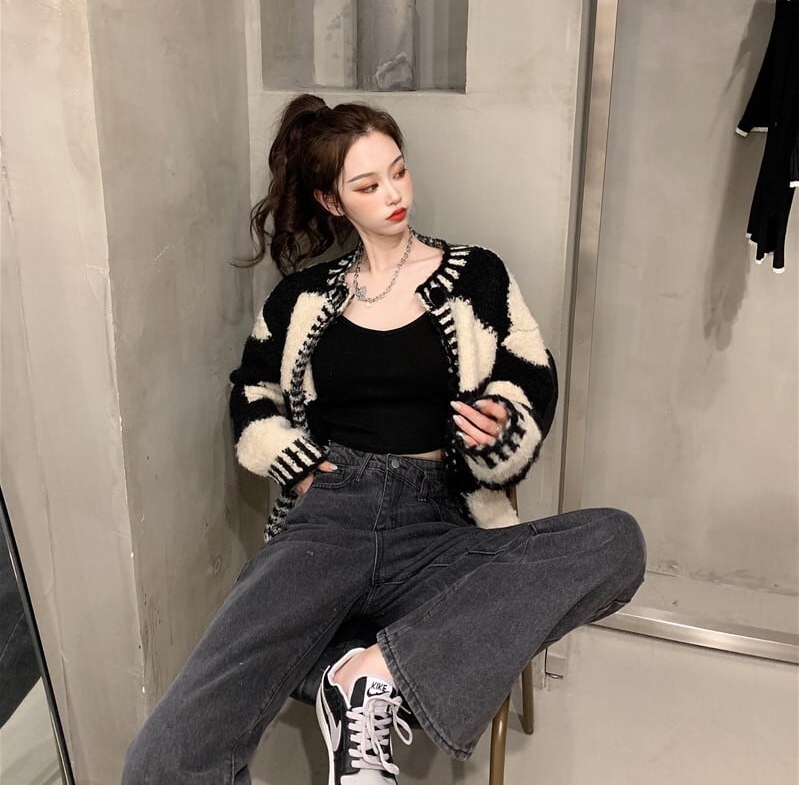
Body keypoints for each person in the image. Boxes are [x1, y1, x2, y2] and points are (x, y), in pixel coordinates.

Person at [122, 93, 646, 785]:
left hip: (441, 521)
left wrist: (500, 424)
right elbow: (251, 390)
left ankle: (371, 675)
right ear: (331, 201)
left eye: (398, 171)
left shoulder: (478, 274)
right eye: (367, 185)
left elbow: (531, 373)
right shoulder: (301, 298)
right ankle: (360, 674)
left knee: (615, 541)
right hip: (330, 516)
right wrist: (293, 460)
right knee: (163, 761)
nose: (394, 194)